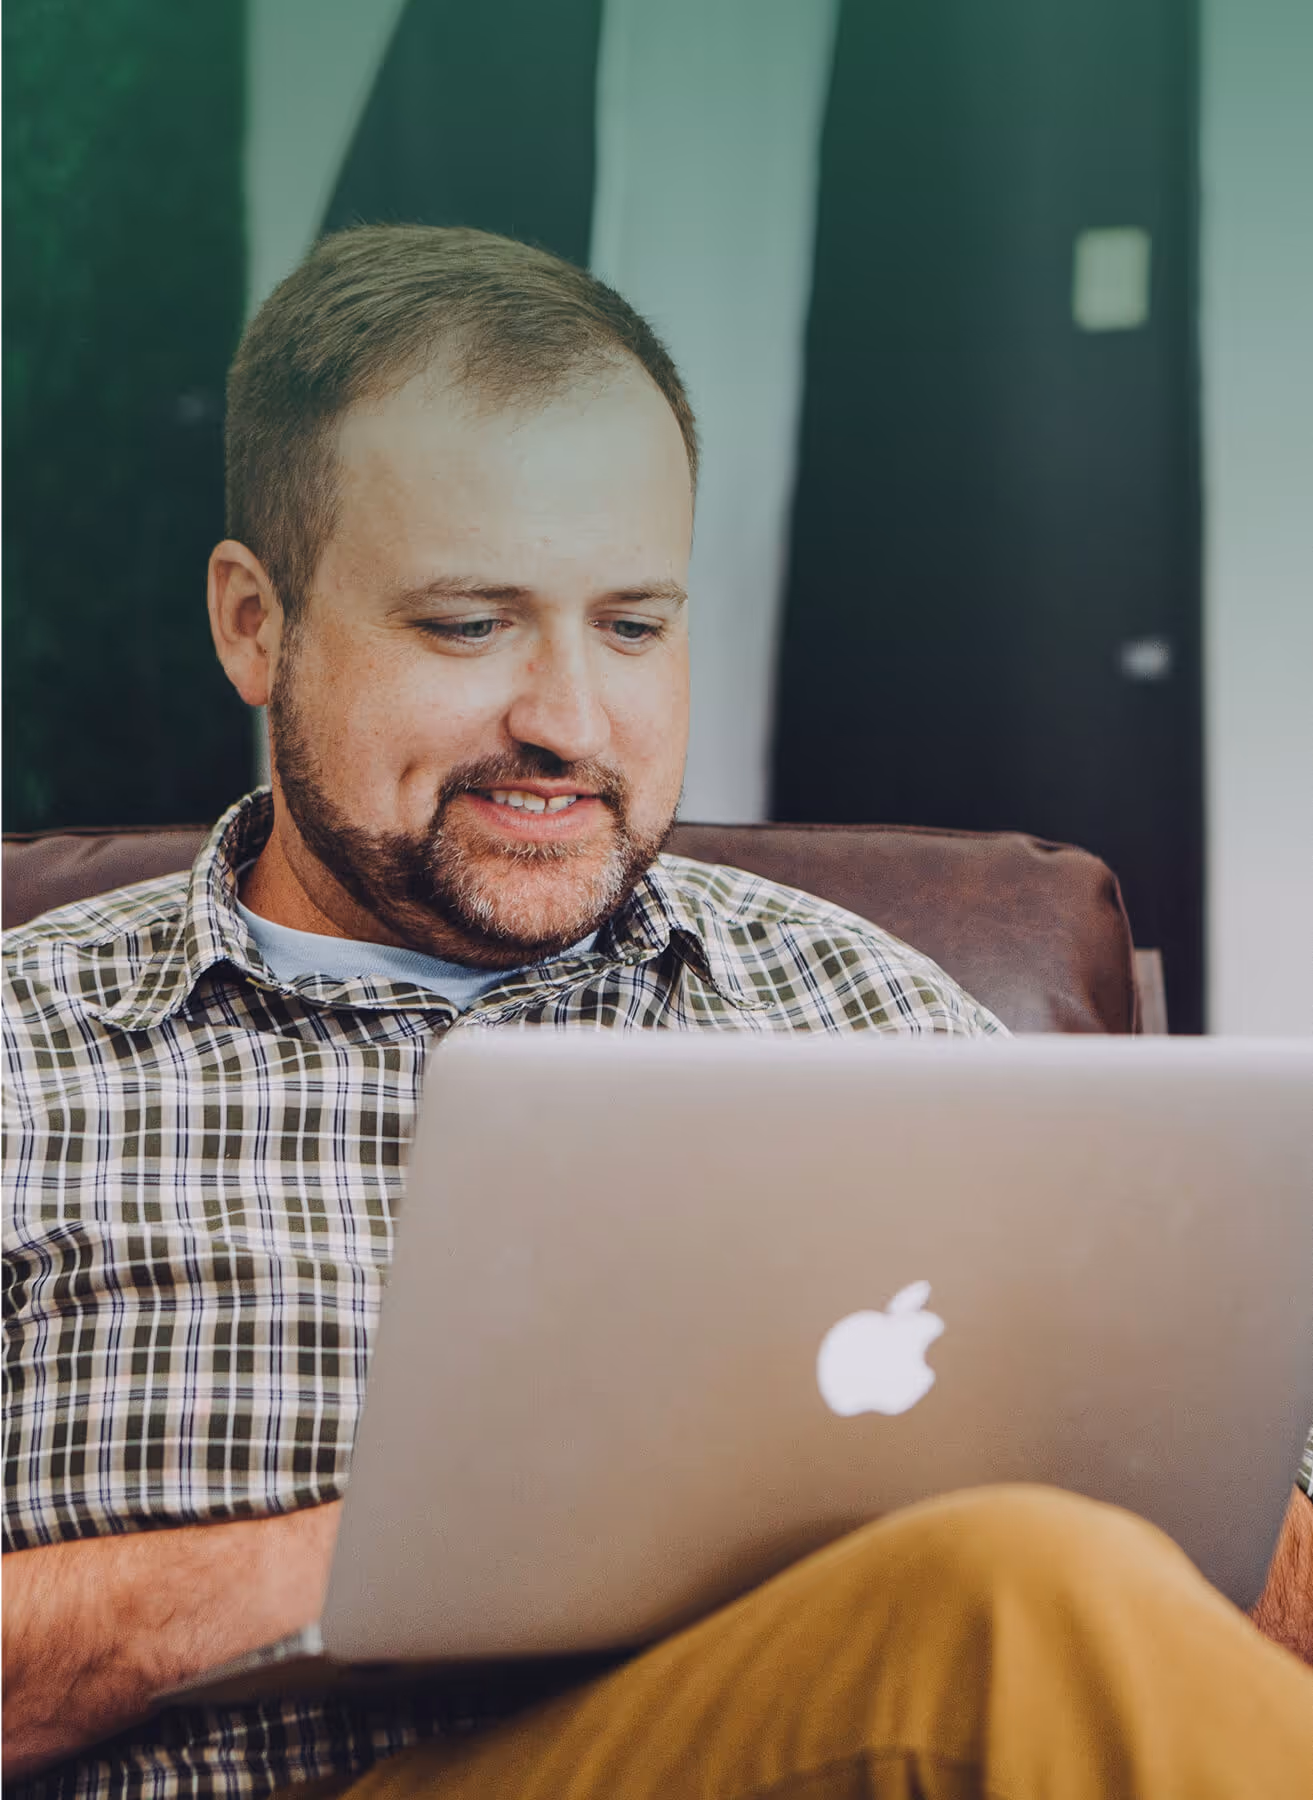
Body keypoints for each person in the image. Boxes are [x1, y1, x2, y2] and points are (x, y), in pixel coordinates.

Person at [3, 225, 1310, 1800]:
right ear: (252, 624)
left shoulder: (864, 1013)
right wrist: (391, 1553)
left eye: (632, 626)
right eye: (468, 625)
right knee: (1014, 1612)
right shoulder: (28, 1051)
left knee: (1037, 1589)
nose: (567, 721)